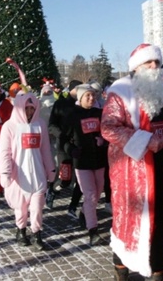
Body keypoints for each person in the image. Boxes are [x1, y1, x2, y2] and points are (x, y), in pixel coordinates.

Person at [101, 43, 163, 280]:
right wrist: (146, 141)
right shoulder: (120, 91)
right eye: (148, 62)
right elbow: (108, 128)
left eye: (157, 63)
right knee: (130, 225)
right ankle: (121, 269)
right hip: (132, 173)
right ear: (136, 67)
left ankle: (159, 272)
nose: (153, 67)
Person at [0, 92, 55, 250]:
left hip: (38, 175)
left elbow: (45, 150)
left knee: (37, 208)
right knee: (21, 208)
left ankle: (37, 232)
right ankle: (21, 230)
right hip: (19, 177)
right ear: (19, 108)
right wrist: (5, 173)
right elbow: (5, 152)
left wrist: (50, 169)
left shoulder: (40, 125)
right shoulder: (9, 127)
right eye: (26, 108)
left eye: (32, 108)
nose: (29, 112)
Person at [63, 84, 108, 245]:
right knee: (90, 195)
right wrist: (71, 150)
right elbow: (62, 140)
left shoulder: (99, 113)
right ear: (80, 98)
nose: (91, 98)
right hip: (82, 162)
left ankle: (84, 213)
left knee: (97, 193)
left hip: (99, 160)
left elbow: (108, 133)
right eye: (87, 96)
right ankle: (93, 230)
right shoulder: (72, 115)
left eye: (93, 96)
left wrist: (103, 141)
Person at [46, 79, 82, 210]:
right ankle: (53, 191)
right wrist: (60, 135)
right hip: (64, 147)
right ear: (72, 89)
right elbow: (51, 125)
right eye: (78, 89)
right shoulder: (60, 104)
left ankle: (73, 206)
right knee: (65, 180)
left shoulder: (83, 105)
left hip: (80, 146)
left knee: (81, 179)